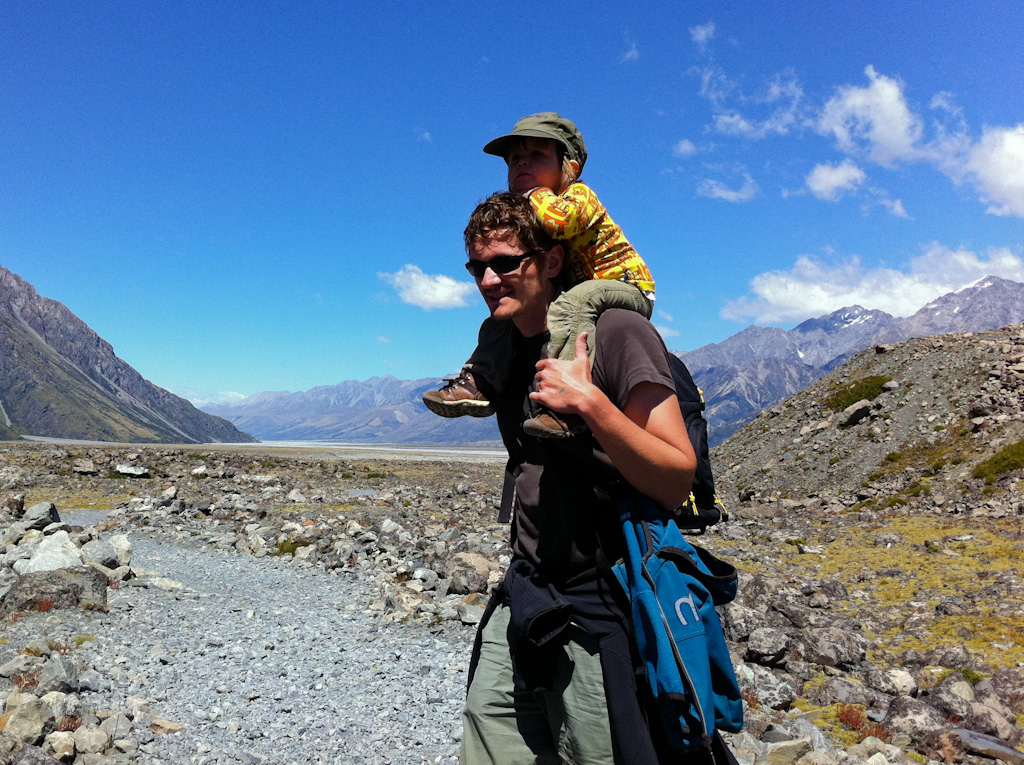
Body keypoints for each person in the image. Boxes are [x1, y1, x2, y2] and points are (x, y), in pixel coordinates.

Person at [457, 192, 697, 764]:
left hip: (601, 600)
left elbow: (676, 477)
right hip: (527, 587)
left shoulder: (616, 332)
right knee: (487, 732)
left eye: (507, 263)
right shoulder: (510, 344)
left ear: (554, 261)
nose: (489, 280)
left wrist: (591, 405)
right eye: (478, 268)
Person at [423, 112, 656, 439]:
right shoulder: (532, 215)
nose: (522, 164)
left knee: (571, 307)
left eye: (536, 155)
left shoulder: (578, 197)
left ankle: (565, 400)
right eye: (515, 158)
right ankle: (480, 379)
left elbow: (561, 222)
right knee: (506, 316)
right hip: (582, 287)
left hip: (627, 286)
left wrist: (533, 194)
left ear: (570, 167)